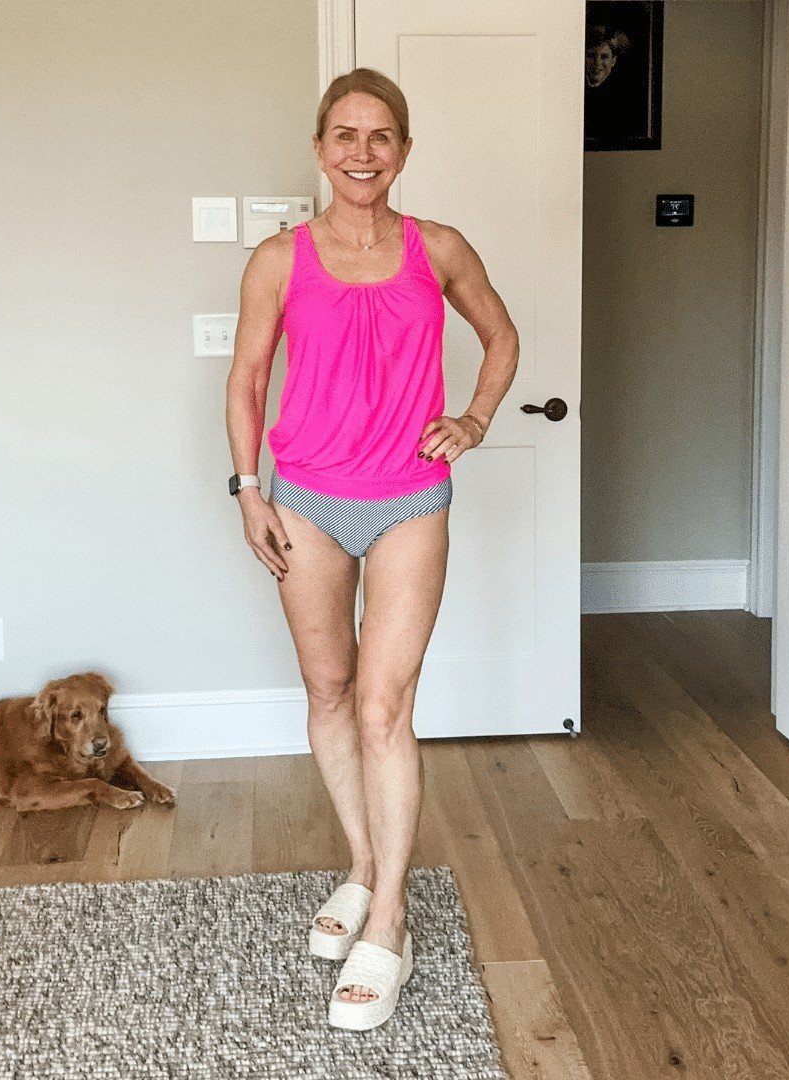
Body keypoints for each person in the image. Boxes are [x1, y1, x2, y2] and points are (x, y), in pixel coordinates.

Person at [224, 67, 518, 1031]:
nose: (362, 152)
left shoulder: (436, 248)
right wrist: (247, 491)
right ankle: (362, 863)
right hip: (304, 497)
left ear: (402, 150)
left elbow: (502, 336)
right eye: (345, 136)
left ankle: (387, 916)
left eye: (381, 136)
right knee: (330, 692)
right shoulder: (278, 258)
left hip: (409, 501)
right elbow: (248, 379)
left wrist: (471, 420)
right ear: (320, 147)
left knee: (387, 706)